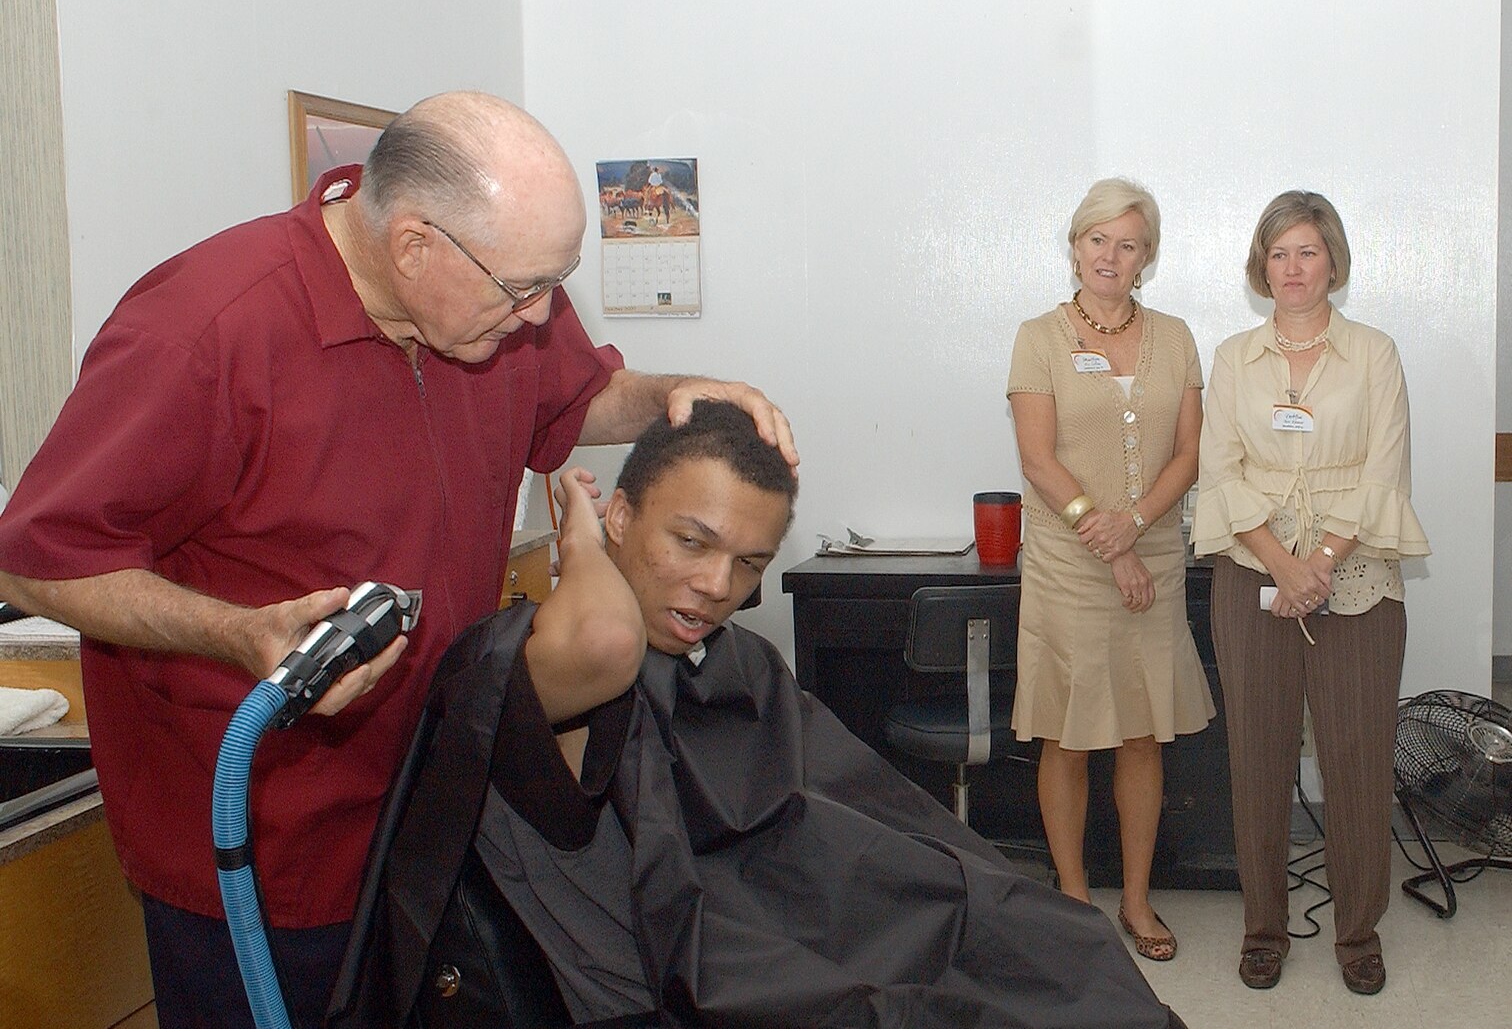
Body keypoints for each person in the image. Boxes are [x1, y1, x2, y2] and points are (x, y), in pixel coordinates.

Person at [0, 91, 795, 1028]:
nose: (542, 318)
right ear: (415, 245)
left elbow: (573, 402)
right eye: (523, 290)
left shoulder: (491, 299)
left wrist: (678, 391)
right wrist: (238, 635)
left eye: (557, 282)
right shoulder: (210, 329)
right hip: (264, 856)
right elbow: (37, 560)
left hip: (426, 818)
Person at [330, 400, 1187, 1028]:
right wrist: (577, 540)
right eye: (690, 542)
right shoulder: (520, 663)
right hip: (653, 990)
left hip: (781, 943)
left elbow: (845, 818)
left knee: (1057, 944)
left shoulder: (736, 663)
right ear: (619, 514)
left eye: (748, 563)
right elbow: (601, 640)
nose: (716, 588)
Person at [1190, 190, 1429, 996]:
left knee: (1357, 760)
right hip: (1253, 573)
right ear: (1262, 265)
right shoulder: (1232, 358)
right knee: (1256, 755)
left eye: (1307, 251)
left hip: (1356, 577)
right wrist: (1281, 563)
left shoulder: (1375, 353)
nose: (1292, 268)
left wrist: (1319, 560)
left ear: (1334, 261)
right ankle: (1264, 929)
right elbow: (1219, 473)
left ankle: (1358, 931)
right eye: (1279, 253)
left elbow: (1383, 471)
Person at [1006, 177, 1214, 962]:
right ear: (1075, 247)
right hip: (1070, 562)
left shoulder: (1178, 336)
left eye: (1128, 244)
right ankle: (1073, 900)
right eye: (1098, 239)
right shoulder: (1038, 337)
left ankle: (1135, 899)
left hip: (1153, 555)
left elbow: (1189, 453)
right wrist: (1112, 541)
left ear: (1146, 258)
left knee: (1140, 735)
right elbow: (1038, 457)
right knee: (1066, 734)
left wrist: (1137, 529)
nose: (1110, 255)